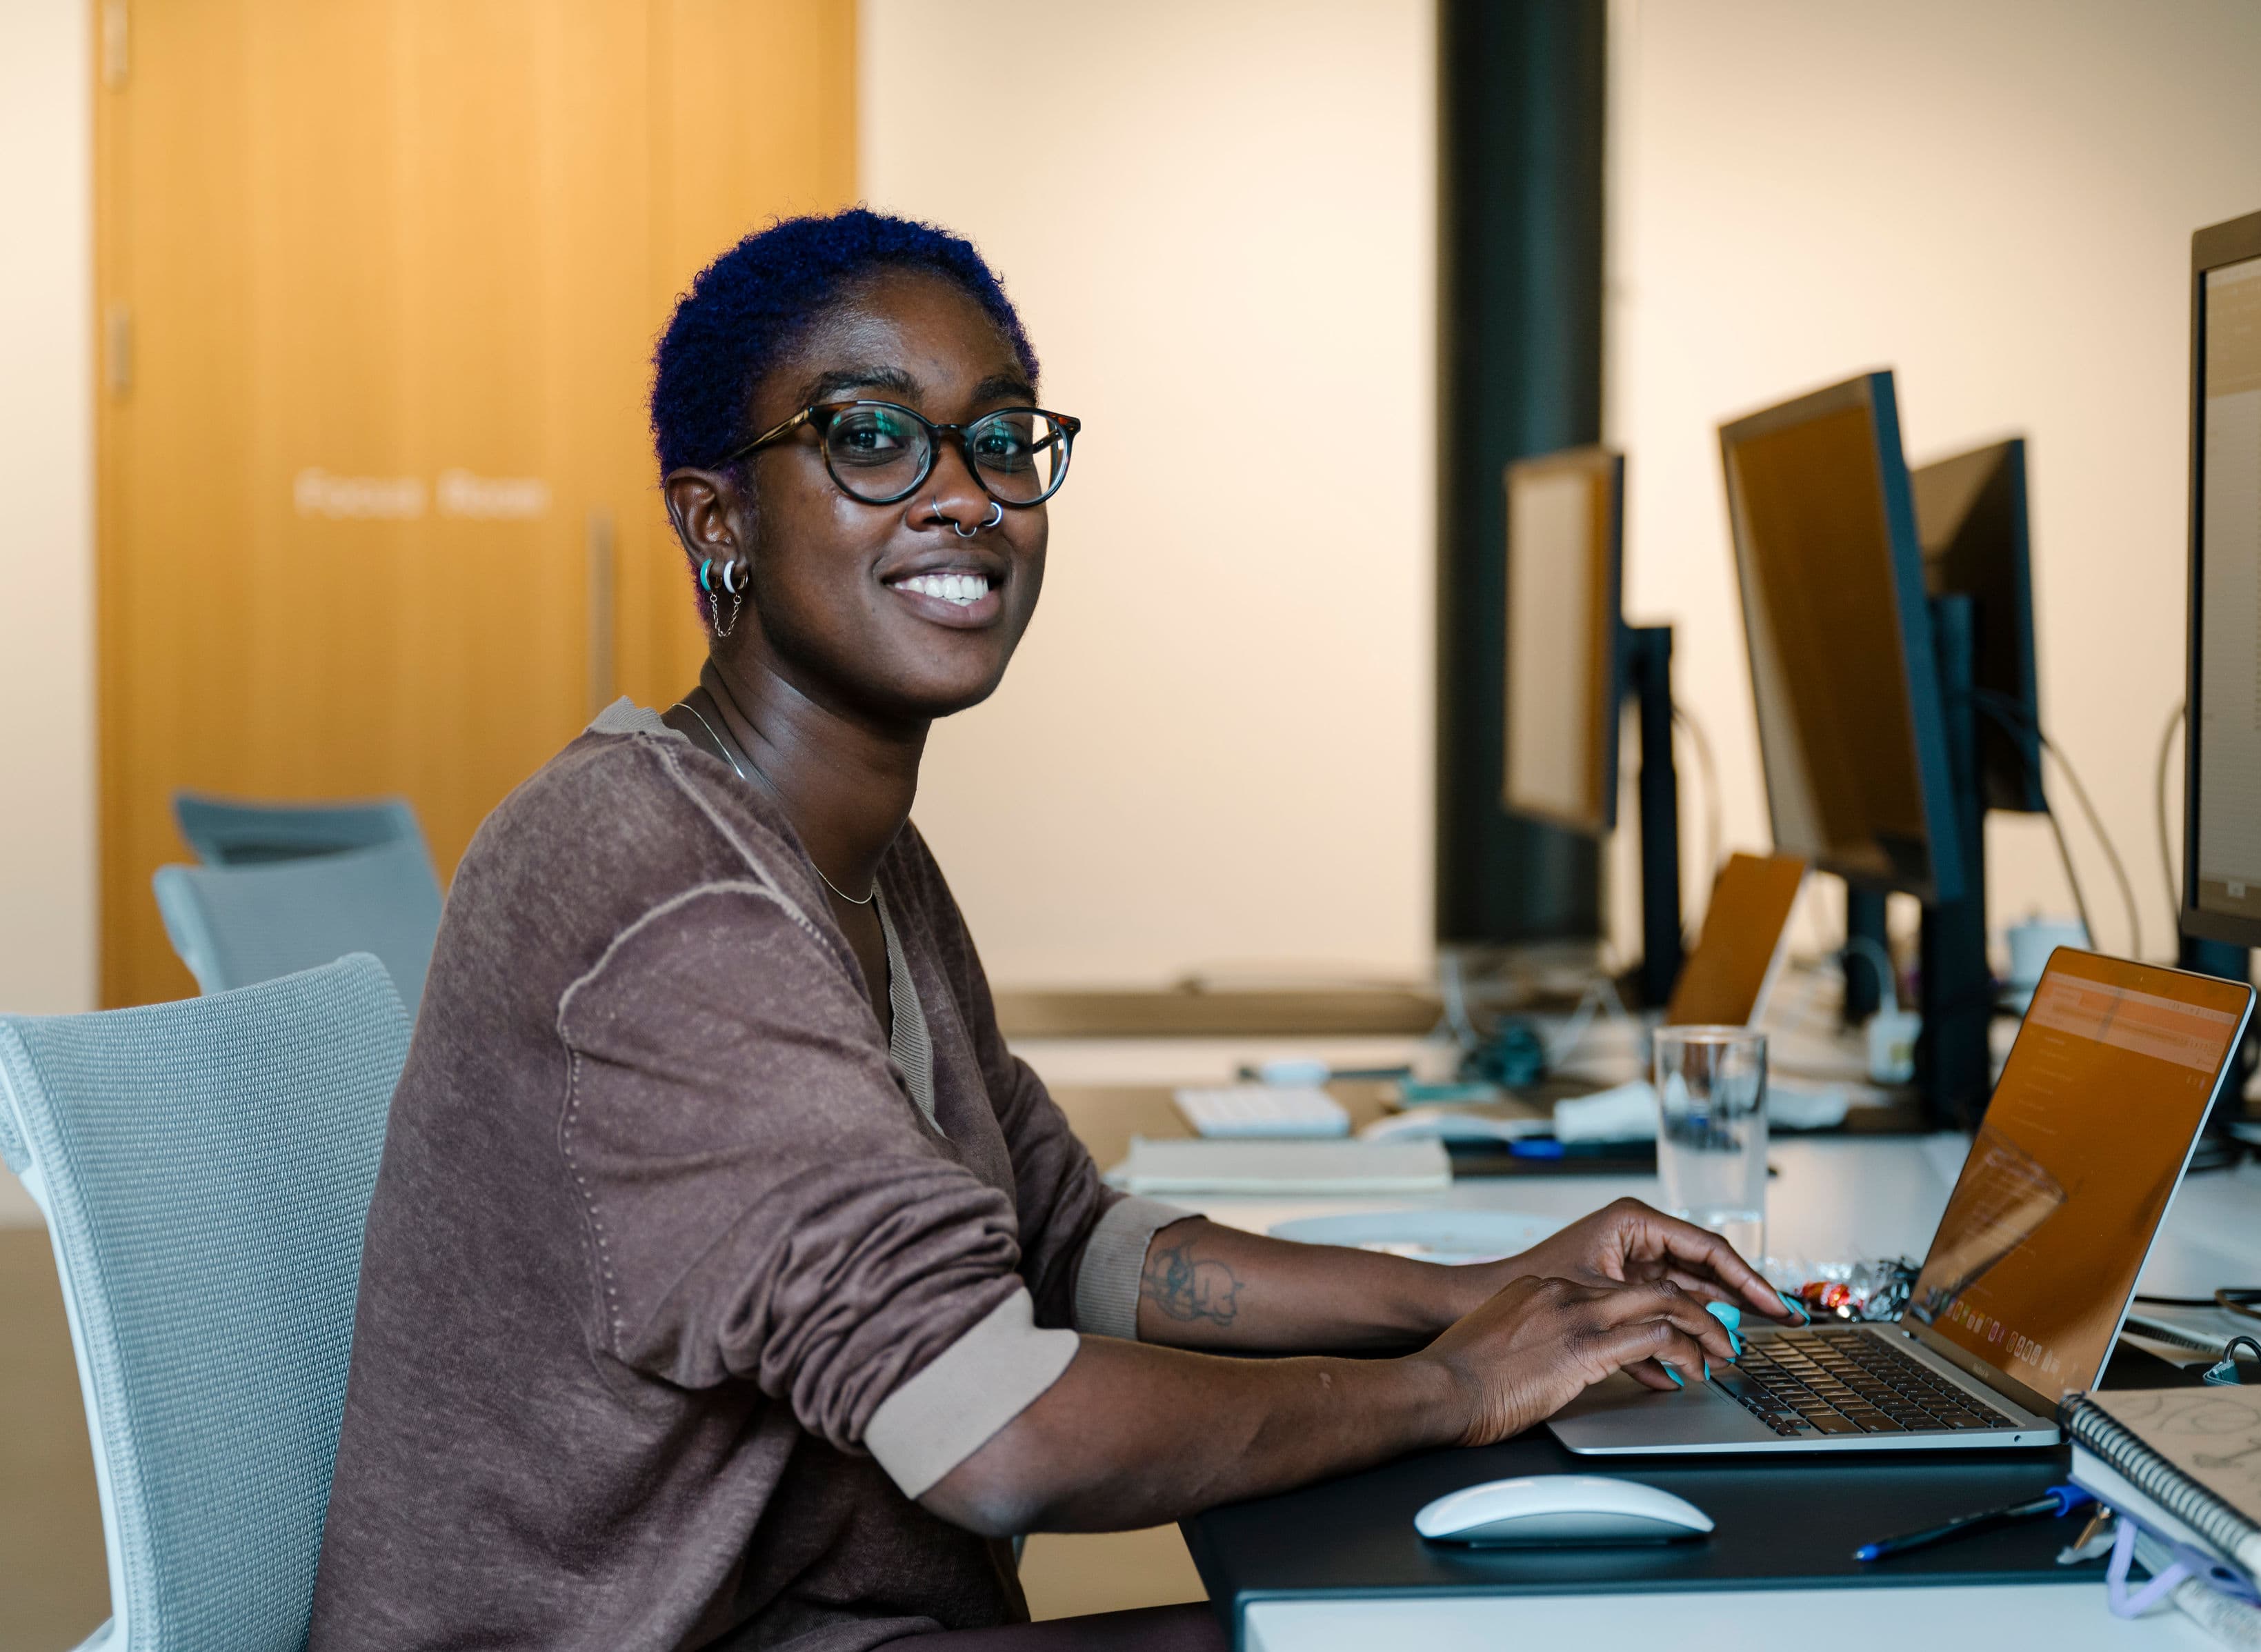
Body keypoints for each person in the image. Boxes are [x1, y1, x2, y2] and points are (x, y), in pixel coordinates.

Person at [307, 209, 1793, 1652]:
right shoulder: (659, 885)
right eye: (871, 437)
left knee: (1435, 1620)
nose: (965, 493)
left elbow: (1069, 1239)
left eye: (1003, 437)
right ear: (720, 520)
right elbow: (1000, 1432)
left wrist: (1475, 1294)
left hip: (809, 1622)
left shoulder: (860, 862)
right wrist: (1449, 1388)